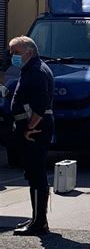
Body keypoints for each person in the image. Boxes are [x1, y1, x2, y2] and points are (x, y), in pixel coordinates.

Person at [9, 36, 54, 236]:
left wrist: (30, 127)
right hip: (32, 128)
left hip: (36, 130)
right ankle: (37, 217)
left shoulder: (36, 71)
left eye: (16, 53)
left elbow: (41, 103)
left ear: (29, 51)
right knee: (33, 173)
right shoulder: (31, 68)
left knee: (36, 174)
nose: (13, 57)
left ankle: (39, 223)